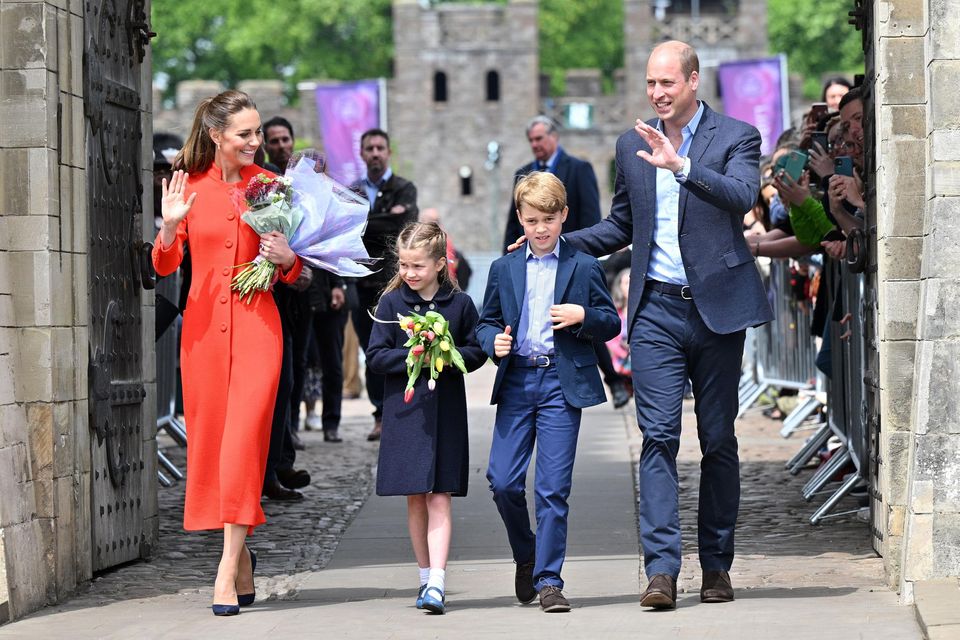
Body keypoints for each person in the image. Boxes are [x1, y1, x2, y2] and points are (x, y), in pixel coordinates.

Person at [558, 41, 774, 608]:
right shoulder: (630, 144)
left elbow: (742, 195)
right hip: (655, 312)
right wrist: (557, 242)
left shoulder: (736, 136)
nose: (657, 93)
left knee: (718, 439)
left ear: (694, 81)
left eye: (667, 83)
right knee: (657, 439)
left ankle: (717, 566)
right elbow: (621, 226)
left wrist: (680, 166)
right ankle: (661, 571)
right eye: (651, 83)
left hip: (719, 309)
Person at [153, 90, 304, 616]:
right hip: (202, 338)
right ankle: (242, 562)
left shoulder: (269, 187)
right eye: (245, 133)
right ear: (216, 135)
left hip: (259, 330)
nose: (255, 142)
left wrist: (287, 259)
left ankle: (222, 569)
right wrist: (170, 225)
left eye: (258, 132)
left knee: (242, 445)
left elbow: (295, 269)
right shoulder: (187, 185)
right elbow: (165, 266)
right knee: (213, 450)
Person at [478, 172, 621, 613]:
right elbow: (486, 321)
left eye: (548, 219)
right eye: (531, 219)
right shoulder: (504, 268)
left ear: (564, 216)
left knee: (552, 488)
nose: (540, 229)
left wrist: (583, 315)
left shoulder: (583, 264)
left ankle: (549, 580)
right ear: (520, 218)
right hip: (518, 380)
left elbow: (611, 321)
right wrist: (492, 343)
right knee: (502, 482)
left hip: (562, 384)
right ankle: (528, 554)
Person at [367, 222, 487, 614]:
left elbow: (476, 351)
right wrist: (412, 355)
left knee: (440, 494)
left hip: (446, 411)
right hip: (406, 413)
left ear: (440, 264)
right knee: (415, 496)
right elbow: (375, 356)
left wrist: (448, 354)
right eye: (403, 265)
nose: (408, 273)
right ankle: (423, 576)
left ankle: (437, 581)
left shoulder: (460, 304)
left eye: (417, 266)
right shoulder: (391, 304)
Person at [503, 116, 630, 409]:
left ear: (554, 136)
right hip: (531, 259)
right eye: (531, 141)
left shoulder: (578, 168)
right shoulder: (522, 174)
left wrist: (576, 254)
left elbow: (590, 215)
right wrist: (509, 257)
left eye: (539, 139)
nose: (535, 145)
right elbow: (514, 224)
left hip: (571, 260)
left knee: (582, 319)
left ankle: (611, 380)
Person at [350, 128, 419, 441]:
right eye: (370, 148)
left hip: (396, 283)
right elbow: (348, 232)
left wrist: (368, 222)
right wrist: (382, 219)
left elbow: (402, 227)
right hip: (362, 284)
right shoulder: (352, 192)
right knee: (373, 352)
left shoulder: (405, 188)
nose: (375, 153)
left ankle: (403, 411)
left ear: (388, 151)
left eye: (380, 147)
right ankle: (380, 414)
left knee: (402, 348)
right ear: (363, 154)